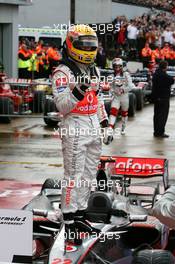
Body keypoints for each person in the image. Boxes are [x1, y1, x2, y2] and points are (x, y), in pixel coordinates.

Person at [52, 24, 110, 244]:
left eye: (91, 45)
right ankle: (68, 221)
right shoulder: (62, 72)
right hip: (74, 124)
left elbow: (99, 98)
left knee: (89, 175)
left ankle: (79, 213)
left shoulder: (94, 69)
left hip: (93, 124)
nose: (88, 49)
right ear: (71, 44)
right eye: (83, 45)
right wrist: (78, 90)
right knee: (73, 175)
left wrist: (105, 122)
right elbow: (62, 107)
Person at [108, 58, 136, 135]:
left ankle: (123, 127)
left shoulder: (126, 74)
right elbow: (109, 87)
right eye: (115, 66)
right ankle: (110, 127)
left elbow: (131, 86)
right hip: (116, 97)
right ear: (113, 66)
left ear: (121, 66)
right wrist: (113, 91)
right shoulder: (111, 76)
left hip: (124, 97)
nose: (117, 68)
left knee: (124, 113)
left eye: (119, 66)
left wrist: (123, 90)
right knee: (113, 112)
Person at [152, 60, 174, 138]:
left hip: (156, 98)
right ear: (165, 67)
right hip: (163, 98)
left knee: (157, 115)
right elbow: (171, 80)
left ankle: (156, 131)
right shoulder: (163, 75)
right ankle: (160, 132)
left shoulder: (155, 74)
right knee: (163, 116)